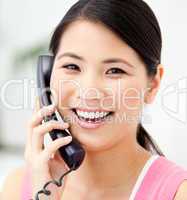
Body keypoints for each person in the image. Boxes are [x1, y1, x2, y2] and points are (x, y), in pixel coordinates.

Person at [1, 0, 187, 199]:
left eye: (115, 70)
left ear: (153, 84)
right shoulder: (20, 187)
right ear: (47, 76)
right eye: (72, 66)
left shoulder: (177, 193)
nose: (89, 92)